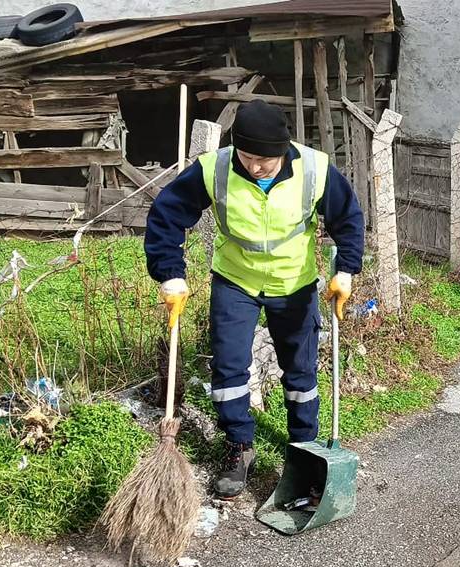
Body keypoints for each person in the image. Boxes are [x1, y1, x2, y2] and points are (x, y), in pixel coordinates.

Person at [143, 100, 365, 498]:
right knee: (228, 368)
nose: (256, 166)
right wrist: (170, 274)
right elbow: (166, 217)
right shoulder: (215, 169)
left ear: (284, 148)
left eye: (266, 159)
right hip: (235, 281)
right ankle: (239, 446)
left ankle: (304, 448)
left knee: (300, 372)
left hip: (293, 283)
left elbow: (348, 219)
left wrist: (345, 271)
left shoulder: (314, 169)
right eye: (247, 157)